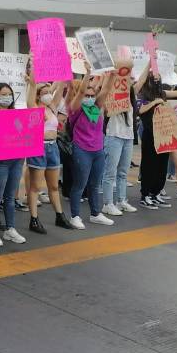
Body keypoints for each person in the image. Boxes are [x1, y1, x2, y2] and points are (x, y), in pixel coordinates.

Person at [135, 62, 177, 210]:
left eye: (158, 77)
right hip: (150, 134)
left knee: (161, 166)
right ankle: (146, 195)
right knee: (149, 164)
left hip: (164, 134)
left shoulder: (162, 93)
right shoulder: (141, 93)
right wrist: (155, 102)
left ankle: (156, 193)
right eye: (154, 76)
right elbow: (140, 110)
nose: (157, 79)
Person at [66, 62, 115, 229]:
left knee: (95, 184)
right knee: (80, 184)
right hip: (81, 150)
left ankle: (95, 213)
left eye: (91, 95)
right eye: (86, 95)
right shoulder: (75, 109)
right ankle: (75, 216)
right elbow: (79, 92)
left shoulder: (96, 107)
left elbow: (106, 90)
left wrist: (112, 74)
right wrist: (87, 74)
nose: (89, 98)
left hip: (98, 151)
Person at [25, 77, 75, 233]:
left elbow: (59, 88)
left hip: (53, 148)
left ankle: (60, 216)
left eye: (49, 92)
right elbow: (30, 97)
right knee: (35, 187)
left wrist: (63, 73)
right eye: (44, 92)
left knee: (53, 186)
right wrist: (32, 83)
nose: (48, 95)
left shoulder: (52, 107)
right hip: (39, 148)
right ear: (38, 95)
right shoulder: (35, 108)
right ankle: (34, 219)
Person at [0, 82, 28, 245]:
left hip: (16, 159)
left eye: (10, 94)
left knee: (10, 196)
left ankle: (10, 229)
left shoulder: (16, 113)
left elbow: (22, 132)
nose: (7, 97)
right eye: (4, 94)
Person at [100, 70, 139, 217]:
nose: (130, 80)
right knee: (110, 172)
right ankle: (107, 204)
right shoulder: (111, 96)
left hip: (128, 137)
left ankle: (121, 200)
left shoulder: (131, 97)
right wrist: (109, 76)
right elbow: (104, 90)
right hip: (114, 136)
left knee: (123, 172)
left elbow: (140, 81)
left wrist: (151, 59)